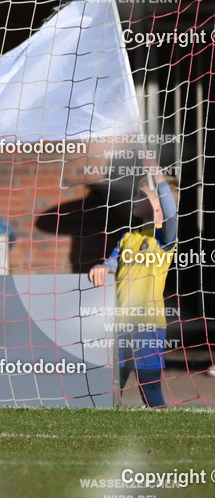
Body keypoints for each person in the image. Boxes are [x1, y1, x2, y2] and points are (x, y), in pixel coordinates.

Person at [89, 159, 177, 408]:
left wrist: (156, 176)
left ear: (156, 204)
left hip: (147, 323)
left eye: (140, 196)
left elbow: (171, 211)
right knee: (110, 388)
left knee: (149, 389)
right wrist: (100, 268)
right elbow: (111, 264)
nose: (134, 200)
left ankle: (162, 431)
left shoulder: (165, 237)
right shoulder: (128, 237)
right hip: (119, 323)